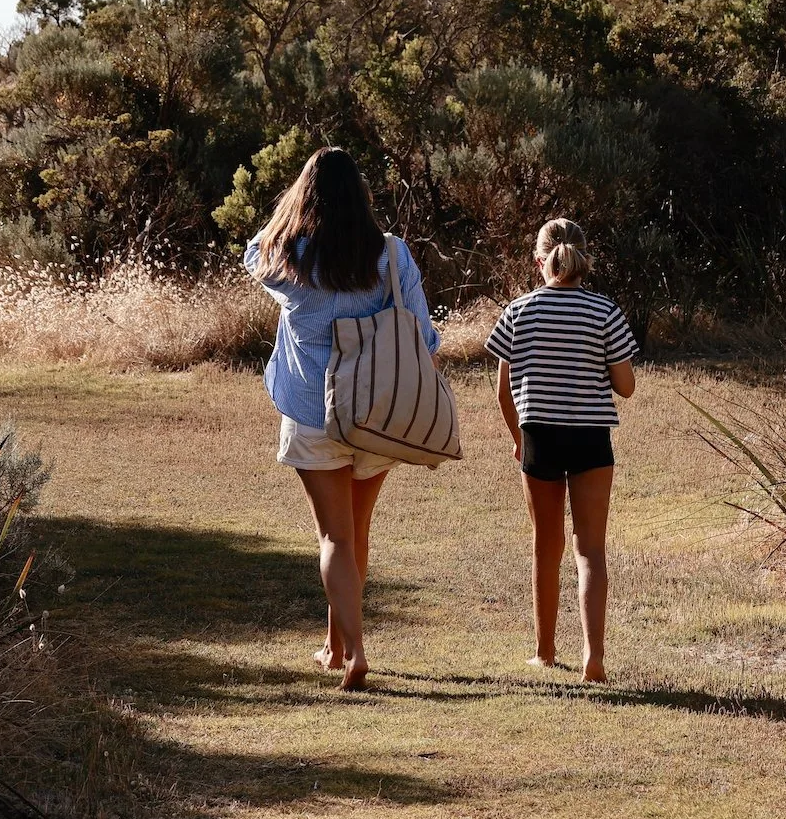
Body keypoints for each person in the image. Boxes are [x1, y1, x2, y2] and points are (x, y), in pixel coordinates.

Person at [245, 147, 441, 691]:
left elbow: (251, 251)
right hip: (377, 412)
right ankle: (335, 647)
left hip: (312, 413)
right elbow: (426, 338)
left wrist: (290, 206)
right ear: (361, 195)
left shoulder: (286, 256)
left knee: (333, 537)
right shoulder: (392, 256)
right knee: (357, 532)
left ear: (303, 196)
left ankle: (352, 651)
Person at [486, 218, 637, 681]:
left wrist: (518, 441)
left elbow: (503, 393)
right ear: (583, 259)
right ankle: (594, 656)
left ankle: (545, 651)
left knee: (545, 547)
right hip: (591, 436)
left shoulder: (517, 312)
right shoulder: (605, 311)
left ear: (539, 259)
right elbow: (625, 387)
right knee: (589, 549)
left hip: (539, 436)